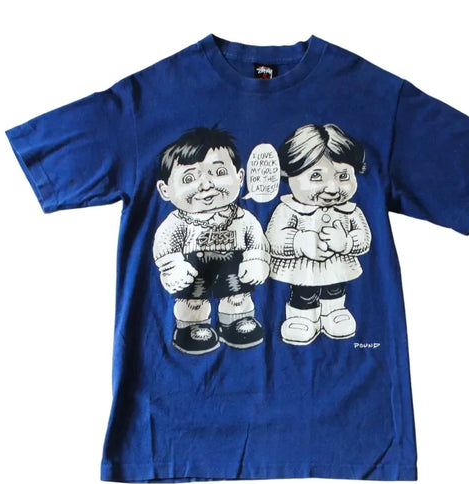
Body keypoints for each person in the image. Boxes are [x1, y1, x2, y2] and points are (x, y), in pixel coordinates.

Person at [153, 126, 270, 355]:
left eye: (219, 172)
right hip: (193, 269)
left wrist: (256, 259)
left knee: (237, 295)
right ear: (165, 190)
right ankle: (191, 326)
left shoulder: (243, 218)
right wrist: (172, 267)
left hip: (233, 265)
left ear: (240, 177)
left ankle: (236, 320)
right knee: (193, 300)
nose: (206, 185)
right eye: (189, 178)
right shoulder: (176, 223)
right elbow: (165, 246)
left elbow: (256, 240)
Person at [266, 123, 372, 345]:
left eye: (343, 176)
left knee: (335, 287)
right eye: (316, 176)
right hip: (301, 269)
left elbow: (364, 238)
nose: (332, 188)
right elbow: (273, 239)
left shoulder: (351, 211)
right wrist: (298, 242)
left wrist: (346, 242)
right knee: (303, 291)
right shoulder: (288, 209)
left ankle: (335, 312)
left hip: (337, 266)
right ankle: (301, 317)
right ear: (289, 174)